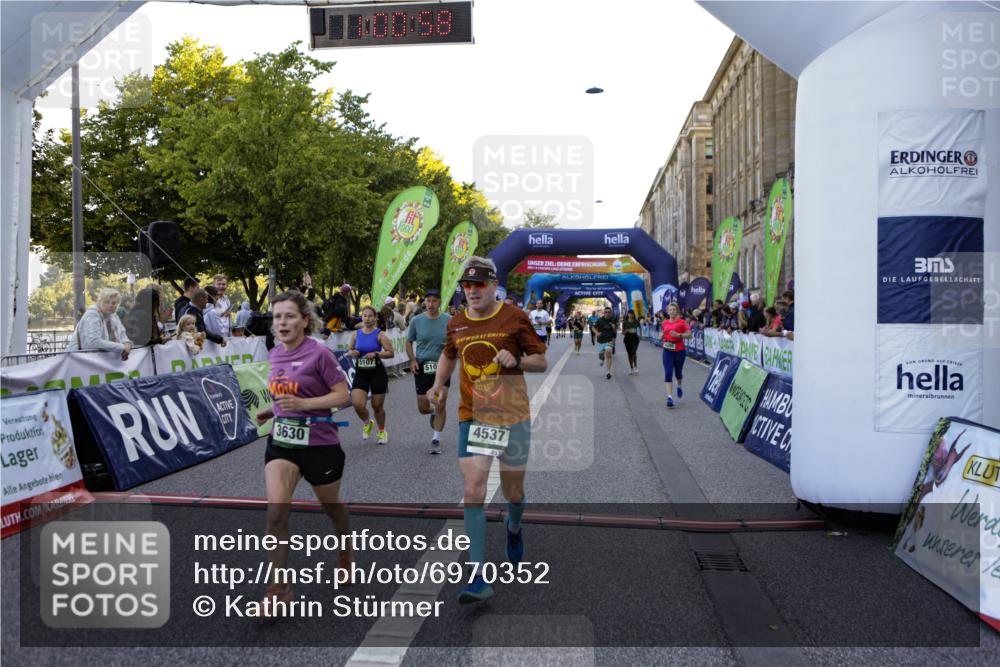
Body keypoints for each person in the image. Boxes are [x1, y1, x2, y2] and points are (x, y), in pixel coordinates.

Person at [428, 257, 547, 604]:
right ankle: (479, 575)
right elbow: (450, 354)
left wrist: (519, 361)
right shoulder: (457, 322)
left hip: (511, 416)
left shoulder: (514, 317)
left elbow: (541, 361)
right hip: (473, 416)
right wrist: (439, 383)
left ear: (494, 285)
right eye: (467, 285)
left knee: (513, 493)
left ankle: (513, 526)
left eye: (479, 284)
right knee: (473, 488)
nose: (472, 290)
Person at [252, 290, 352, 613]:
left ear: (304, 321)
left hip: (320, 444)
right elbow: (287, 394)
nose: (282, 322)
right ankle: (278, 589)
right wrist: (273, 410)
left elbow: (342, 396)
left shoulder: (319, 354)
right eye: (277, 316)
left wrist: (305, 404)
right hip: (282, 442)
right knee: (276, 512)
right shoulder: (274, 354)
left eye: (289, 316)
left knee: (332, 507)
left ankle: (345, 551)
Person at [406, 289, 451, 454]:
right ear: (424, 302)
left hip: (442, 366)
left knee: (441, 402)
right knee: (423, 407)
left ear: (439, 302)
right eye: (428, 301)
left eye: (434, 300)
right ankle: (431, 412)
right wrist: (412, 360)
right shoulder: (417, 320)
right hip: (423, 366)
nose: (431, 304)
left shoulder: (449, 320)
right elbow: (409, 342)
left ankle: (436, 439)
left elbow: (455, 342)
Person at [348, 305, 394, 445]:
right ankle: (368, 422)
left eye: (370, 316)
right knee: (357, 404)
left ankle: (381, 431)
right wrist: (353, 352)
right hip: (361, 372)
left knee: (377, 406)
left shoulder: (380, 335)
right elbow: (350, 349)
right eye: (365, 316)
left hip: (377, 373)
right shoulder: (356, 334)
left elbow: (390, 353)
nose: (367, 319)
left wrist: (376, 354)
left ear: (375, 318)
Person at [67, 288, 132, 360]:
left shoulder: (113, 315)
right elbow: (93, 342)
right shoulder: (92, 315)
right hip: (77, 359)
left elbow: (122, 334)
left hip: (97, 359)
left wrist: (127, 343)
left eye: (114, 303)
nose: (110, 305)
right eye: (106, 302)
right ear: (99, 302)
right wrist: (121, 347)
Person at [661, 302, 692, 409]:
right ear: (668, 311)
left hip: (679, 351)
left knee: (678, 373)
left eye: (674, 309)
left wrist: (679, 335)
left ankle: (679, 384)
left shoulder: (682, 322)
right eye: (670, 310)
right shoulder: (664, 323)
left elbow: (690, 335)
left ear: (677, 311)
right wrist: (662, 337)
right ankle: (669, 397)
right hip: (667, 351)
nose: (672, 311)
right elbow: (664, 334)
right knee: (668, 373)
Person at [594, 306, 618, 379]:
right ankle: (602, 359)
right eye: (606, 312)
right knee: (601, 355)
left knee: (608, 354)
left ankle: (608, 372)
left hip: (609, 340)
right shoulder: (600, 320)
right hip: (601, 340)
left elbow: (615, 329)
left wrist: (614, 326)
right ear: (604, 313)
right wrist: (597, 332)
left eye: (609, 312)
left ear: (610, 313)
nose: (607, 313)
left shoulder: (613, 320)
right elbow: (593, 327)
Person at [622, 309, 641, 375]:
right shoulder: (625, 322)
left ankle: (635, 366)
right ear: (627, 314)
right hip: (627, 339)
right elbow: (622, 332)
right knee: (629, 354)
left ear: (633, 315)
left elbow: (640, 328)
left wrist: (640, 336)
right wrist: (626, 331)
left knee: (634, 352)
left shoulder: (636, 321)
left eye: (632, 314)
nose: (630, 315)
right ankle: (631, 367)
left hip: (635, 339)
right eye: (629, 314)